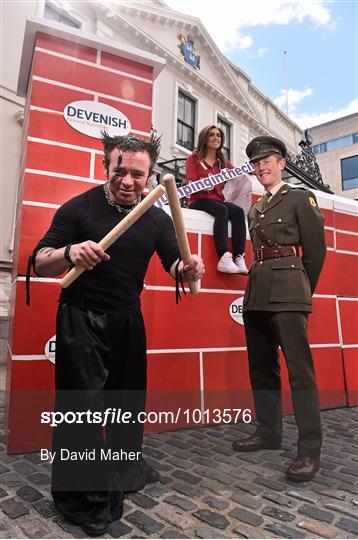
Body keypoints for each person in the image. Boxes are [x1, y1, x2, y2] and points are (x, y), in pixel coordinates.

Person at [31, 132, 204, 536]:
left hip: (128, 319)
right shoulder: (79, 208)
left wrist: (187, 268)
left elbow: (174, 262)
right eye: (119, 171)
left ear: (151, 176)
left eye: (137, 174)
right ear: (106, 166)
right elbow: (40, 261)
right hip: (80, 319)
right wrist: (70, 253)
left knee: (127, 403)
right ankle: (83, 500)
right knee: (83, 409)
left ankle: (126, 468)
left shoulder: (158, 217)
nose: (127, 181)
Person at [232, 136, 326, 482]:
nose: (261, 167)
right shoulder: (256, 209)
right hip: (256, 293)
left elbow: (315, 252)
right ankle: (269, 433)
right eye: (255, 163)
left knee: (301, 373)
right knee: (261, 368)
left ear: (281, 162)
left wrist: (302, 290)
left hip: (289, 291)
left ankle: (309, 449)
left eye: (267, 160)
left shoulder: (300, 198)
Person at [185, 125, 248, 274]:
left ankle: (239, 256)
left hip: (216, 200)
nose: (216, 138)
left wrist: (253, 168)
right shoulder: (193, 159)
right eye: (211, 135)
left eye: (218, 135)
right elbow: (190, 182)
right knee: (222, 210)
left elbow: (238, 173)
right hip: (198, 200)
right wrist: (204, 184)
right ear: (205, 138)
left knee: (238, 211)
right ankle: (224, 257)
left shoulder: (222, 162)